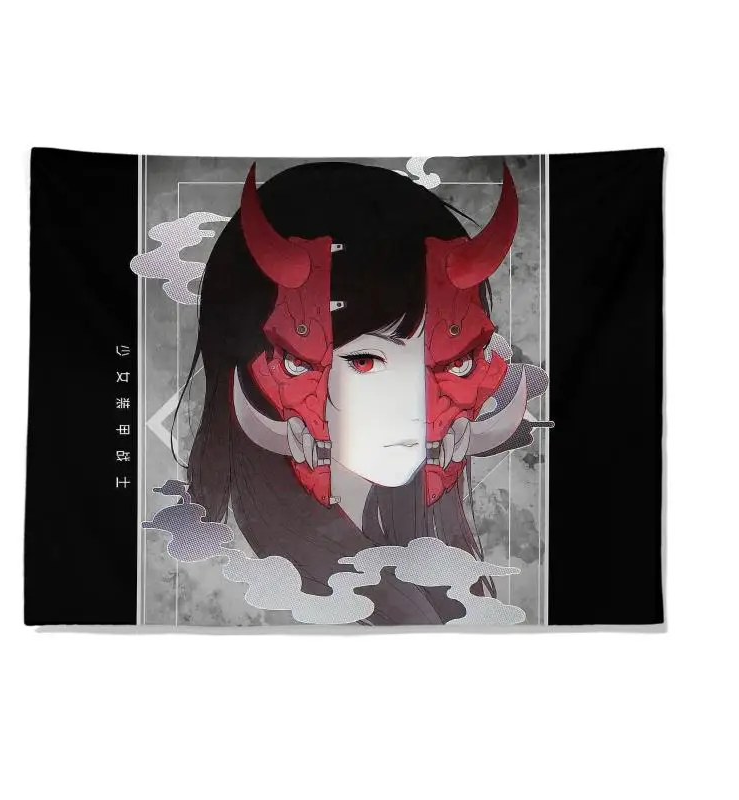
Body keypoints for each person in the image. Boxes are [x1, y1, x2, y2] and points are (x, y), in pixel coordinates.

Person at [181, 160, 547, 624]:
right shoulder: (228, 570)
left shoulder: (432, 557)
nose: (415, 406)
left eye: (452, 361)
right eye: (365, 361)